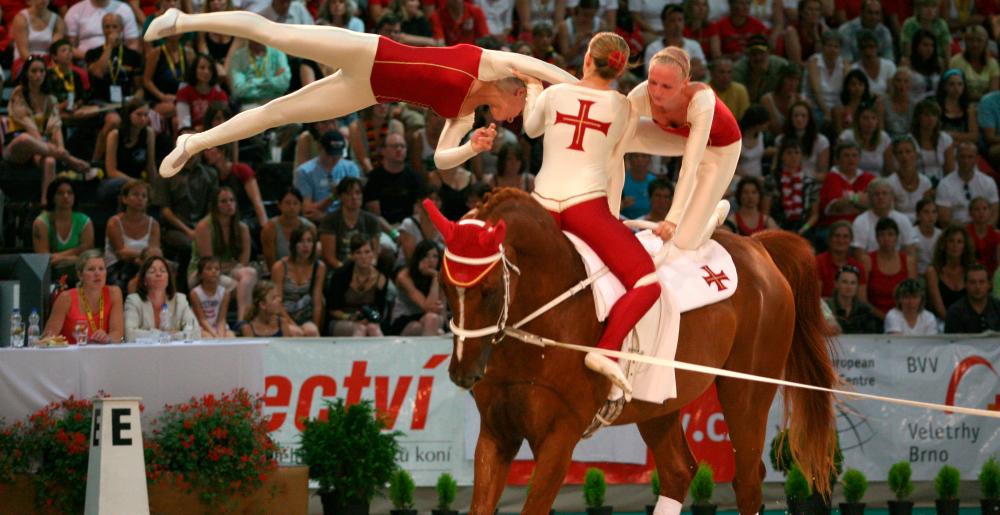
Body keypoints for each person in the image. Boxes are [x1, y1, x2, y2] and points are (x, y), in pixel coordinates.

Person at [144, 6, 577, 178]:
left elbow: (441, 159)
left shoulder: (465, 117)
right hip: (370, 52)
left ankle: (193, 142)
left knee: (278, 113)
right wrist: (588, 92)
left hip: (368, 90)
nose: (519, 120)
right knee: (274, 33)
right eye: (525, 108)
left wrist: (470, 149)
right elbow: (546, 71)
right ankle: (181, 20)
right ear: (520, 91)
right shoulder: (495, 62)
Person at [517, 33, 663, 403]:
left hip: (542, 205)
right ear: (618, 71)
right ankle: (607, 348)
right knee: (647, 282)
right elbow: (615, 159)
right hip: (586, 208)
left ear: (586, 59)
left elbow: (530, 129)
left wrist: (534, 88)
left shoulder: (554, 96)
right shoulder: (623, 108)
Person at [6, 56, 91, 204]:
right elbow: (28, 126)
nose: (38, 75)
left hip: (43, 148)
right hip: (18, 147)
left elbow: (56, 127)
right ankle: (70, 160)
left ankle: (47, 204)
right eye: (34, 71)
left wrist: (60, 149)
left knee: (50, 161)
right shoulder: (18, 94)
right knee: (26, 139)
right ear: (26, 73)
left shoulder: (50, 99)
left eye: (41, 71)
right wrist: (65, 156)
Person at [189, 187, 258, 319]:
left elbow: (244, 262)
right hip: (202, 273)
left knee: (250, 273)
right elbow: (208, 265)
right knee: (241, 287)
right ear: (215, 206)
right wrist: (232, 265)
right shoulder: (204, 226)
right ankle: (243, 320)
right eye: (224, 201)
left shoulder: (242, 228)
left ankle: (242, 320)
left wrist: (233, 266)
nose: (229, 204)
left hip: (226, 270)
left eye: (232, 200)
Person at [43, 249, 125, 344]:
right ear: (80, 275)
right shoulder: (66, 298)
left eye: (101, 269)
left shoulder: (114, 293)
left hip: (102, 354)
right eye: (91, 269)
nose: (97, 273)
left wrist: (107, 338)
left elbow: (118, 334)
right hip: (70, 355)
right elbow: (48, 337)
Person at [124, 255, 200, 341]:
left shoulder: (180, 299)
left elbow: (195, 332)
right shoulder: (133, 300)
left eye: (163, 271)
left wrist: (170, 336)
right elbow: (129, 335)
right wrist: (164, 335)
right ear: (144, 280)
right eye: (152, 271)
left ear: (168, 279)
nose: (158, 274)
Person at [33, 178, 95, 283]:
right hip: (51, 274)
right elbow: (43, 259)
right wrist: (76, 254)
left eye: (70, 193)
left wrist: (61, 258)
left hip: (80, 271)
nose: (66, 196)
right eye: (60, 193)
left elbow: (88, 255)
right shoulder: (41, 223)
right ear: (52, 197)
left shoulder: (84, 221)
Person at [327, 235, 390, 336]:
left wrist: (369, 318)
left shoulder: (381, 277)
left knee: (373, 328)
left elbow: (380, 309)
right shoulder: (341, 275)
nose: (363, 257)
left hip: (369, 320)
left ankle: (383, 352)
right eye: (358, 253)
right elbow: (332, 309)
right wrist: (350, 317)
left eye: (367, 252)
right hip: (342, 319)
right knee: (360, 329)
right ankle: (354, 352)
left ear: (373, 254)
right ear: (352, 256)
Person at [294, 130, 362, 222]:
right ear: (320, 148)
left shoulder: (351, 168)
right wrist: (332, 197)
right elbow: (307, 209)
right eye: (330, 155)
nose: (334, 159)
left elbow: (354, 204)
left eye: (338, 155)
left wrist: (326, 217)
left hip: (344, 219)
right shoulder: (304, 171)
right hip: (314, 222)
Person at [104, 179, 160, 289]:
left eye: (144, 196)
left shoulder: (153, 224)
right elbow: (122, 253)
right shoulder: (114, 222)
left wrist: (144, 259)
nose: (140, 198)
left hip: (144, 265)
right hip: (117, 266)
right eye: (135, 194)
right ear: (124, 199)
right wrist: (143, 256)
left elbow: (154, 252)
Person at [271, 225, 326, 337]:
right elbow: (277, 302)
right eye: (301, 241)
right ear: (293, 244)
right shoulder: (280, 267)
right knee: (295, 332)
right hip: (283, 316)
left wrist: (316, 325)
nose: (306, 246)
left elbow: (317, 302)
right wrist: (293, 324)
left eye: (309, 241)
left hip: (305, 315)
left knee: (312, 331)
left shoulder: (319, 267)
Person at [320, 177, 382, 270]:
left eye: (358, 193)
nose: (354, 197)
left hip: (366, 269)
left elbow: (375, 254)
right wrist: (347, 272)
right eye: (349, 193)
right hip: (339, 269)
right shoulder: (330, 220)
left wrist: (368, 268)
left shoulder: (371, 220)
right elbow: (330, 258)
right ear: (340, 197)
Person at [860, 217, 917, 317]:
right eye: (882, 234)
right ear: (876, 238)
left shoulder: (908, 261)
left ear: (897, 237)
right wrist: (884, 317)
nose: (886, 239)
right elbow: (862, 300)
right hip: (873, 317)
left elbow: (914, 296)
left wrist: (898, 319)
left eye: (890, 234)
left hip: (903, 317)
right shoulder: (867, 260)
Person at [936, 141, 999, 227]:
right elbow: (944, 221)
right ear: (956, 158)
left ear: (976, 159)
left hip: (983, 232)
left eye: (970, 157)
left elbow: (994, 216)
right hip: (956, 234)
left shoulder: (988, 182)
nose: (966, 161)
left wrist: (981, 232)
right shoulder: (945, 184)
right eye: (962, 156)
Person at [389, 239, 445, 336]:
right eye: (426, 256)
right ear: (419, 258)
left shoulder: (441, 276)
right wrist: (435, 278)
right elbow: (427, 307)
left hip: (431, 318)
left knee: (433, 320)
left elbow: (442, 312)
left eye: (435, 256)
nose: (431, 260)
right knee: (425, 325)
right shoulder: (404, 276)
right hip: (405, 319)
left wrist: (436, 278)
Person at [926, 226, 974, 319]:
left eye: (959, 242)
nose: (955, 245)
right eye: (951, 241)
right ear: (944, 245)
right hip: (941, 322)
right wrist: (953, 324)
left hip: (968, 322)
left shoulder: (971, 270)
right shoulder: (933, 271)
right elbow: (939, 308)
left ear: (965, 246)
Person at [261, 187, 315, 269]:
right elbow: (270, 262)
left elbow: (312, 259)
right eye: (287, 203)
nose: (292, 207)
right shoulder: (270, 228)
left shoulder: (310, 227)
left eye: (295, 203)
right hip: (279, 272)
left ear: (301, 206)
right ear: (279, 205)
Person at [886, 136, 933, 223]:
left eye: (908, 152)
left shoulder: (925, 182)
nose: (904, 156)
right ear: (895, 156)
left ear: (915, 154)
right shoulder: (890, 183)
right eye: (900, 153)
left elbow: (928, 212)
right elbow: (890, 213)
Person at [175, 53, 228, 129]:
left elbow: (223, 122)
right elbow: (184, 124)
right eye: (202, 68)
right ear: (194, 70)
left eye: (210, 69)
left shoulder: (220, 94)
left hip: (214, 133)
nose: (206, 72)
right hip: (191, 134)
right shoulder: (184, 92)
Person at [815, 220, 867, 298]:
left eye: (845, 236)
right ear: (829, 239)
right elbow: (816, 299)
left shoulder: (858, 267)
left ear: (851, 241)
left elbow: (862, 301)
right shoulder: (817, 262)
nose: (841, 240)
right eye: (837, 236)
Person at [825, 265, 882, 334]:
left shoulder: (865, 310)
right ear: (836, 284)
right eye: (844, 282)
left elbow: (871, 336)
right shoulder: (826, 307)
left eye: (853, 283)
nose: (849, 287)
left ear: (857, 286)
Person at [945, 264, 1000, 333]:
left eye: (982, 282)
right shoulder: (955, 312)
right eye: (972, 282)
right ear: (965, 285)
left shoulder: (997, 307)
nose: (978, 287)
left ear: (989, 284)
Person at [190, 256, 235, 338]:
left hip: (218, 326)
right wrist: (214, 334)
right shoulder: (195, 293)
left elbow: (221, 319)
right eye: (209, 269)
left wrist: (220, 335)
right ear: (200, 275)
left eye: (217, 269)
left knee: (231, 336)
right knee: (209, 338)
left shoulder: (225, 293)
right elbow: (202, 319)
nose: (214, 271)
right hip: (202, 327)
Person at [12, 0, 65, 65]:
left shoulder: (57, 21)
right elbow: (23, 52)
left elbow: (55, 50)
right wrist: (37, 64)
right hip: (25, 61)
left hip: (47, 61)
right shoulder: (21, 19)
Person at [967, 197, 1000, 277]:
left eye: (984, 209)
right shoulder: (965, 233)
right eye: (977, 209)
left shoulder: (997, 235)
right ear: (970, 213)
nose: (981, 212)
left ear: (990, 212)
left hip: (992, 276)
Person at [913, 198, 941, 275]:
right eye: (926, 212)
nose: (931, 216)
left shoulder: (941, 235)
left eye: (934, 212)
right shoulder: (911, 234)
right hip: (918, 274)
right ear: (918, 216)